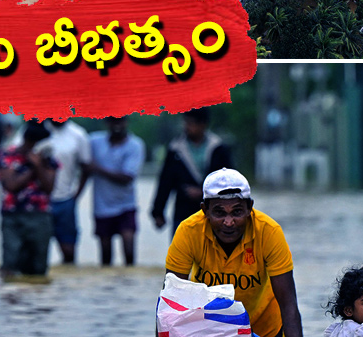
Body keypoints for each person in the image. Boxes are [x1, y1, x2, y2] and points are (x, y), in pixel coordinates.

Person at [137, 168, 303, 337]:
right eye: (219, 213)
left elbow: (289, 306)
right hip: (211, 335)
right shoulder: (187, 232)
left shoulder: (269, 232)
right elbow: (168, 308)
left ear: (250, 208)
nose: (228, 222)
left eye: (237, 212)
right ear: (204, 210)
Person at [151, 107, 233, 236]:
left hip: (214, 212)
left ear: (203, 124)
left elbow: (229, 181)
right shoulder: (175, 149)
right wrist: (158, 212)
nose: (187, 127)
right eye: (186, 122)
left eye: (191, 123)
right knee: (181, 252)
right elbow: (165, 182)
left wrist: (203, 192)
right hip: (183, 211)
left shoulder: (218, 148)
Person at [0, 121, 57, 278]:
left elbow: (49, 188)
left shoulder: (48, 160)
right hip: (12, 216)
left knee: (38, 267)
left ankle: (35, 299)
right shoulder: (8, 156)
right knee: (10, 262)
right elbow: (11, 185)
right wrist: (32, 167)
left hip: (40, 216)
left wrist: (38, 166)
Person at [88, 116, 145, 266]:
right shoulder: (94, 141)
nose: (117, 125)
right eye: (113, 121)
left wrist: (97, 169)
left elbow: (127, 177)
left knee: (129, 252)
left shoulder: (135, 145)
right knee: (105, 256)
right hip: (102, 207)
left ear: (126, 122)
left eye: (120, 121)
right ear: (106, 123)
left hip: (126, 205)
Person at [38, 119, 94, 264]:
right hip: (39, 200)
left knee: (68, 252)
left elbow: (86, 167)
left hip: (65, 200)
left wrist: (76, 195)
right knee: (37, 251)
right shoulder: (36, 129)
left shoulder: (78, 135)